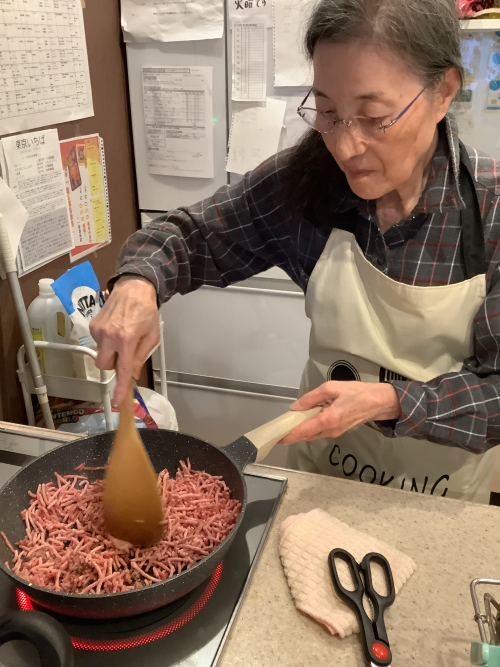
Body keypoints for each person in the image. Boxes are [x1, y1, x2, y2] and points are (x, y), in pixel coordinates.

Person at [90, 0, 500, 503]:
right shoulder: (308, 181)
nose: (345, 147)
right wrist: (138, 283)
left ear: (443, 92)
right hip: (319, 479)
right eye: (327, 113)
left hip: (437, 498)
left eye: (373, 117)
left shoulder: (490, 207)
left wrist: (394, 401)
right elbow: (191, 235)